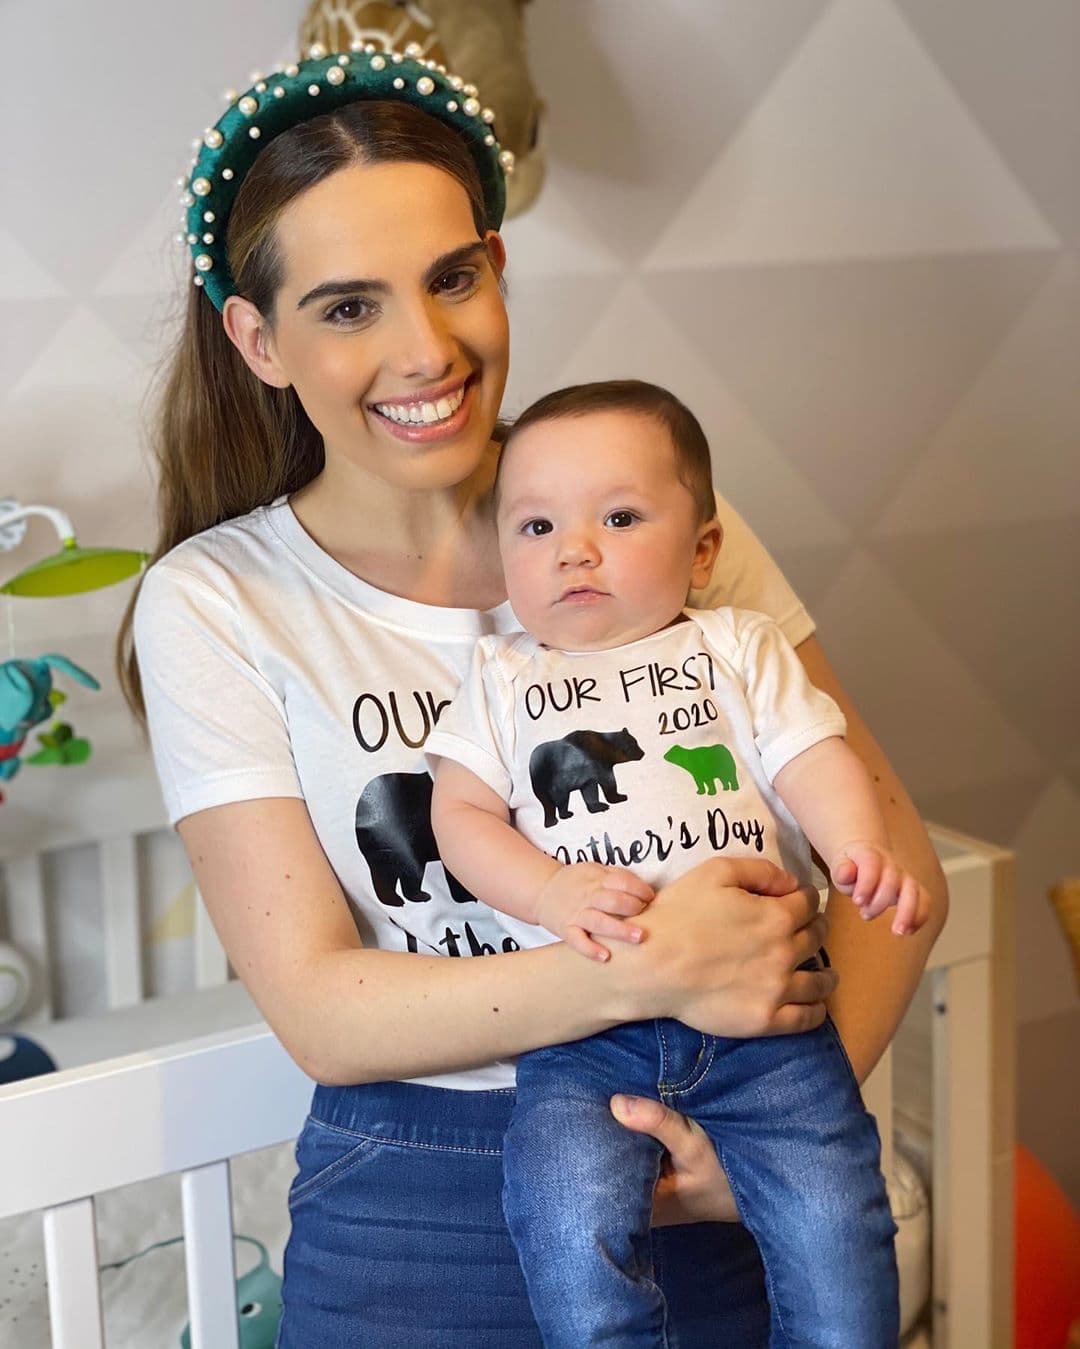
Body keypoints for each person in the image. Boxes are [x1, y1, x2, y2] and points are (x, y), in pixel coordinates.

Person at [120, 42, 947, 1348]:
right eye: (348, 307)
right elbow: (325, 1011)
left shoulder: (644, 510)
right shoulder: (218, 601)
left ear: (498, 267)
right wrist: (651, 964)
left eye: (451, 278)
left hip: (705, 1146)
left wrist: (783, 1138)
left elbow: (898, 870)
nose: (424, 349)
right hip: (413, 1206)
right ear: (258, 338)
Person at [427, 379, 933, 1346]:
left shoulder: (737, 645)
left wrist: (855, 845)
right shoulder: (499, 677)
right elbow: (460, 816)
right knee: (564, 1209)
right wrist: (548, 888)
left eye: (619, 518)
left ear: (703, 550)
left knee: (837, 1217)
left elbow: (812, 755)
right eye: (536, 526)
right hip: (585, 1032)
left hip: (768, 1031)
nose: (574, 549)